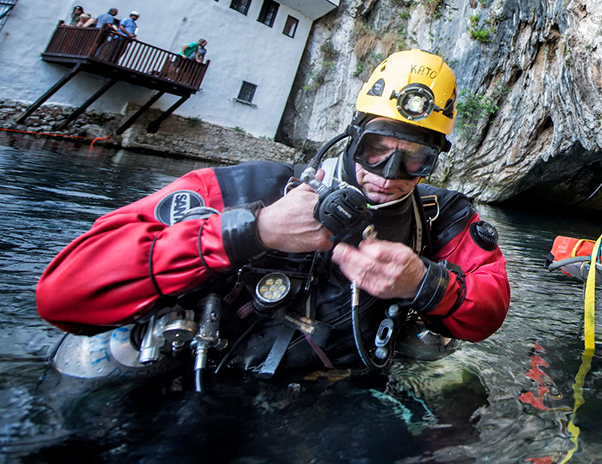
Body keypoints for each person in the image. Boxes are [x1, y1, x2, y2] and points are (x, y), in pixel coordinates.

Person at [36, 49, 510, 382]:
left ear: (434, 162)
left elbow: (489, 308)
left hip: (344, 395)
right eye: (375, 150)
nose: (388, 174)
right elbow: (64, 294)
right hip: (214, 382)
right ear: (351, 136)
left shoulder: (440, 216)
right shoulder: (250, 187)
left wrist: (429, 284)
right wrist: (248, 231)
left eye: (413, 160)